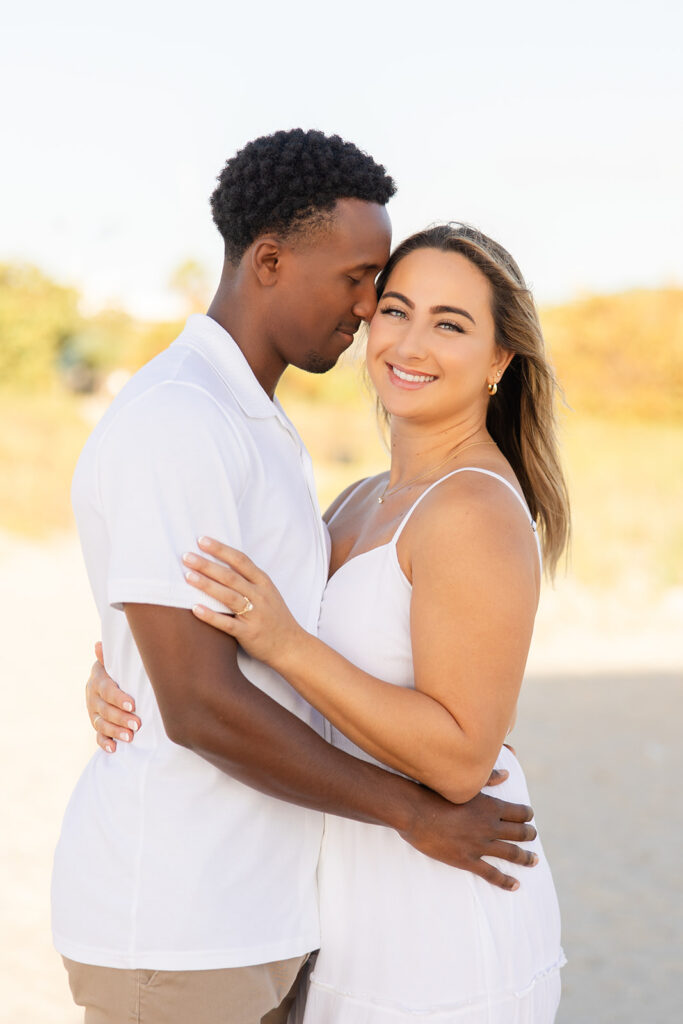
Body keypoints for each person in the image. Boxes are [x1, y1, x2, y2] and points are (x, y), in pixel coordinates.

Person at [54, 131, 539, 1024]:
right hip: (185, 920)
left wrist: (172, 664)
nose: (370, 315)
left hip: (289, 913)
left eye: (444, 319)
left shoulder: (269, 434)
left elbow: (267, 647)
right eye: (372, 289)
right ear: (270, 260)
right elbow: (198, 696)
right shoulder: (186, 421)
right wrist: (125, 671)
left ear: (500, 360)